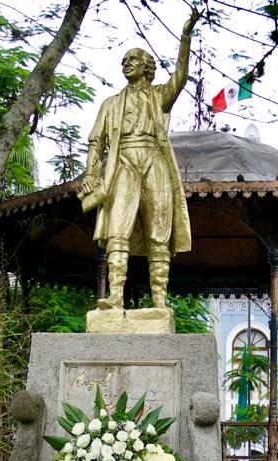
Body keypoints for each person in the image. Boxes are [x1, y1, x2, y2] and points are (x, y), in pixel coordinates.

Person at [77, 7, 200, 312]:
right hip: (122, 166)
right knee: (117, 231)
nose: (125, 64)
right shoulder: (111, 104)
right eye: (124, 61)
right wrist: (91, 174)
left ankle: (159, 300)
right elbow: (96, 142)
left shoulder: (159, 96)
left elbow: (181, 77)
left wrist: (185, 37)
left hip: (154, 163)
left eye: (132, 60)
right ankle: (115, 296)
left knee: (159, 232)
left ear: (147, 67)